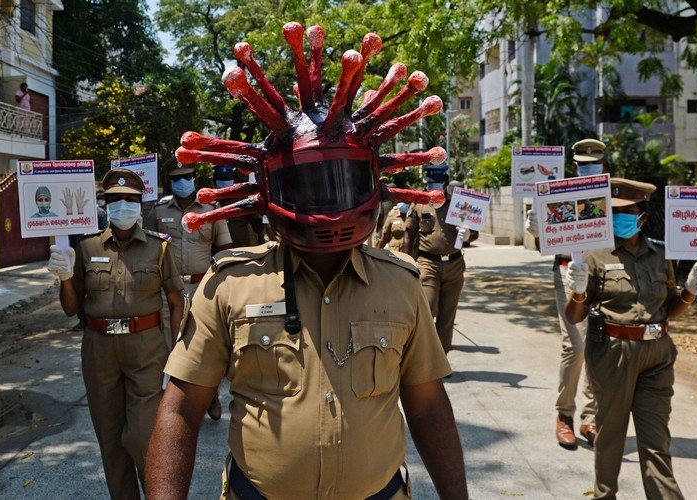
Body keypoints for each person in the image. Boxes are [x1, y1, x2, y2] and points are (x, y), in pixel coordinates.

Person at [146, 21, 467, 499]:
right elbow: (180, 410)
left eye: (341, 182)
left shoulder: (400, 283)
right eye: (310, 185)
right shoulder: (231, 284)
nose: (328, 206)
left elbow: (427, 407)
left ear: (375, 178)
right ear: (268, 187)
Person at [564, 178, 697, 499]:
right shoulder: (594, 256)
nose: (619, 218)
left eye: (627, 211)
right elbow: (574, 316)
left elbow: (669, 309)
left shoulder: (661, 254)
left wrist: (691, 289)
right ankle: (605, 494)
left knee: (656, 441)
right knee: (610, 438)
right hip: (613, 353)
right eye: (614, 212)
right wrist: (577, 291)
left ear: (643, 216)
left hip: (657, 354)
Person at [47, 168, 184, 499]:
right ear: (105, 204)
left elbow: (177, 301)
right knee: (110, 439)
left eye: (130, 199)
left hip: (147, 348)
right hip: (99, 350)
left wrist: (178, 355)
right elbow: (71, 307)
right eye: (114, 199)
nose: (123, 205)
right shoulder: (86, 246)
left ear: (141, 204)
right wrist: (65, 276)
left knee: (141, 434)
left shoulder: (159, 248)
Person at [525, 138, 604, 448]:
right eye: (584, 164)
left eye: (594, 163)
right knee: (576, 343)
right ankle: (565, 415)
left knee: (601, 343)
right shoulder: (559, 192)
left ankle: (591, 417)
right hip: (569, 271)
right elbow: (546, 236)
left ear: (603, 164)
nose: (589, 168)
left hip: (603, 272)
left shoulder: (612, 195)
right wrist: (536, 227)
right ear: (574, 166)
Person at [145, 161, 233, 421]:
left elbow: (225, 248)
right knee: (170, 344)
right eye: (177, 178)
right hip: (168, 289)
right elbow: (149, 248)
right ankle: (175, 400)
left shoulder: (211, 210)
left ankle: (211, 394)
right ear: (170, 182)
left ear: (195, 178)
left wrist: (222, 285)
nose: (182, 182)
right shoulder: (159, 210)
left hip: (201, 287)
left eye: (187, 177)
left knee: (204, 343)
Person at [403, 166, 477, 353]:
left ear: (445, 184)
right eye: (430, 185)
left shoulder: (460, 204)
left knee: (447, 314)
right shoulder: (419, 204)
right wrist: (404, 263)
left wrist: (469, 235)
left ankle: (442, 356)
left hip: (454, 264)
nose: (433, 189)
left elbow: (474, 232)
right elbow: (408, 234)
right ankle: (422, 353)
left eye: (437, 185)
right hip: (428, 263)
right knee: (428, 308)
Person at [213, 165, 266, 247]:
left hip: (241, 252)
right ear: (214, 181)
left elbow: (258, 225)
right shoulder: (210, 204)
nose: (224, 182)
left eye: (227, 179)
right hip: (221, 255)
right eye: (221, 179)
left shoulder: (242, 199)